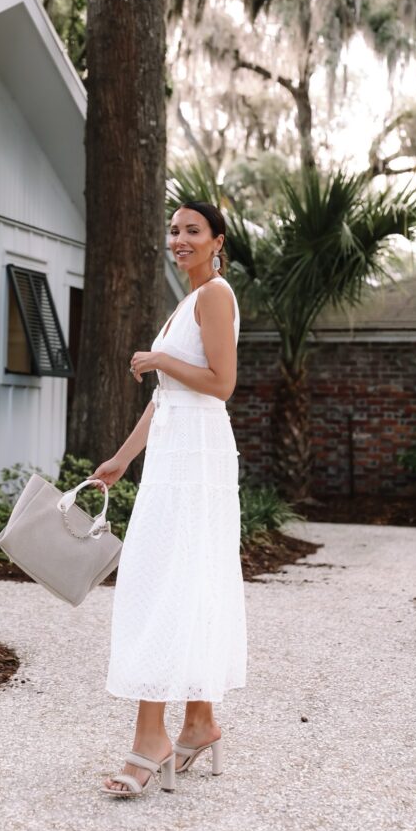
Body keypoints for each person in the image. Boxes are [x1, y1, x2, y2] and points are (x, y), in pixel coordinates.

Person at [90, 200, 247, 798]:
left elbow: (221, 385)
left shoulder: (214, 295)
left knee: (162, 583)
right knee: (180, 578)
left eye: (192, 231)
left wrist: (159, 358)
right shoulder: (187, 300)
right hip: (174, 452)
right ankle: (200, 721)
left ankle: (152, 737)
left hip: (196, 460)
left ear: (217, 240)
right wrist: (122, 460)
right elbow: (165, 400)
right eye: (175, 230)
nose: (179, 239)